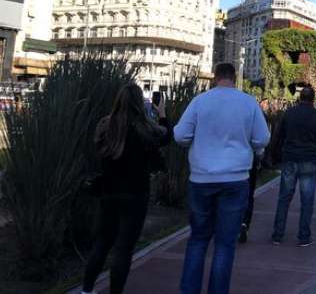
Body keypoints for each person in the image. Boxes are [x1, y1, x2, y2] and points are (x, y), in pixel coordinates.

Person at [174, 63, 270, 294]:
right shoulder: (248, 102)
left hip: (201, 178)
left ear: (215, 78)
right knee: (225, 244)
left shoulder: (200, 101)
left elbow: (180, 135)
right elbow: (262, 138)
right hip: (236, 179)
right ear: (234, 77)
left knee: (197, 240)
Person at [81, 84, 172, 294]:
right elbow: (167, 137)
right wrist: (163, 113)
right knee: (124, 249)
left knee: (102, 243)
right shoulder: (146, 129)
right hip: (136, 194)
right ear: (140, 103)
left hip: (109, 191)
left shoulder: (105, 126)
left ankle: (86, 290)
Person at [271, 85, 316, 247]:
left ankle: (277, 234)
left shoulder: (289, 113)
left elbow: (279, 134)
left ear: (300, 97)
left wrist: (273, 153)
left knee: (284, 197)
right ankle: (304, 236)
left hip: (289, 158)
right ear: (313, 99)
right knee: (307, 199)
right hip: (308, 159)